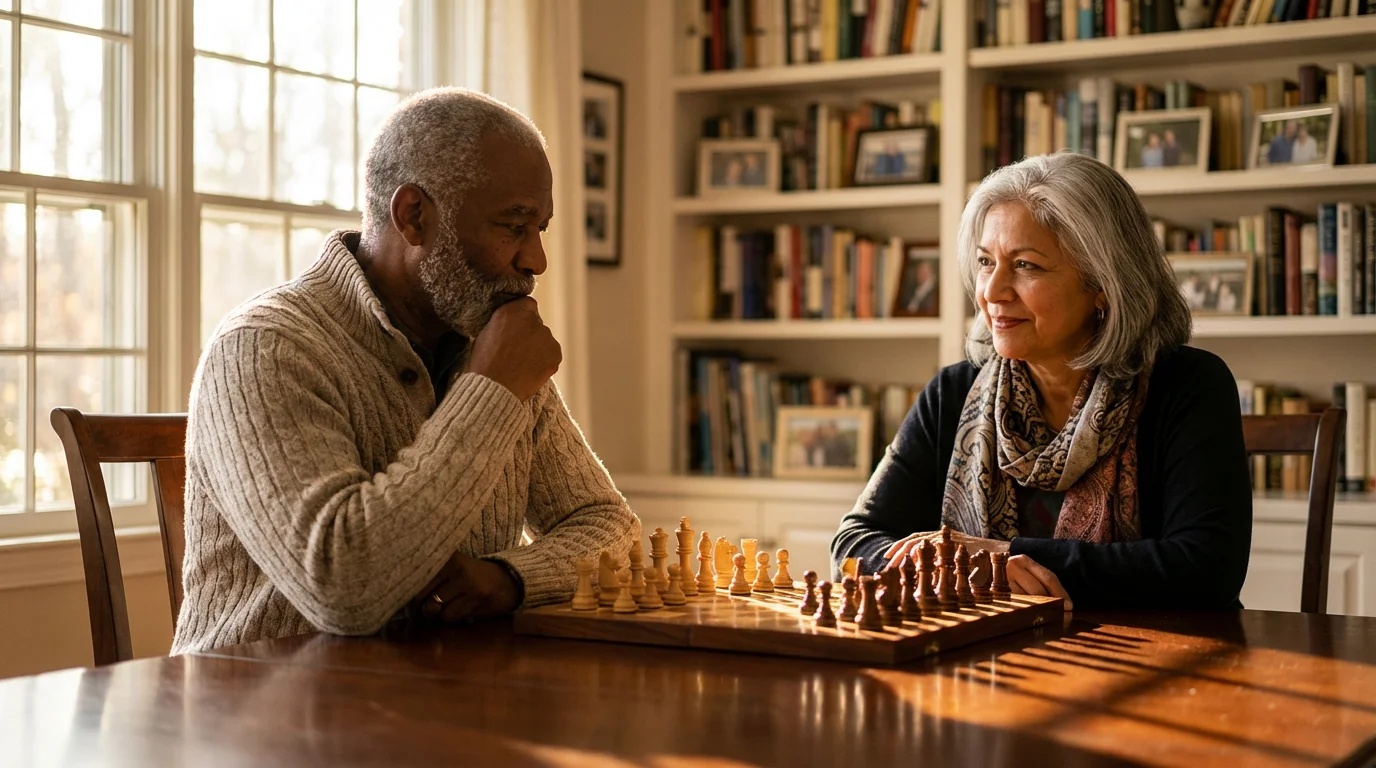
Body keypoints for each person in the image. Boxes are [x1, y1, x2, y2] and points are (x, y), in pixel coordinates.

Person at [173, 88, 641, 654]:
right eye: (513, 227)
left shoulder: (481, 339)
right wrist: (490, 394)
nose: (535, 260)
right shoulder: (264, 348)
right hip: (254, 718)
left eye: (540, 228)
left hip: (430, 706)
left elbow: (609, 527)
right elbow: (343, 589)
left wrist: (508, 579)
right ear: (413, 215)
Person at [830, 151, 1253, 611]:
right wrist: (946, 563)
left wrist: (1006, 558)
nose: (991, 291)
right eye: (986, 261)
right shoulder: (953, 393)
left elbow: (1207, 568)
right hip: (988, 664)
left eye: (1026, 265)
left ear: (1102, 285)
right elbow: (853, 544)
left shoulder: (1188, 385)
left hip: (1159, 663)